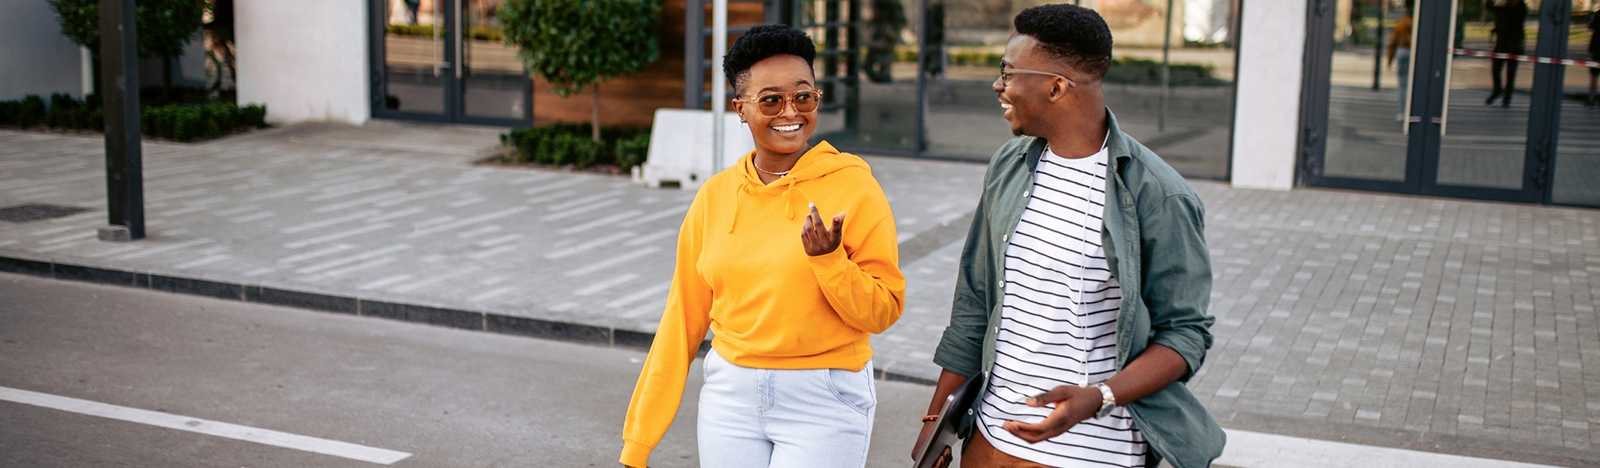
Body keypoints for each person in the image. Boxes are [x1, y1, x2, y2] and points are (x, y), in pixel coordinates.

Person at [913, 4, 1224, 468]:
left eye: (1009, 72)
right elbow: (975, 305)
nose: (998, 84)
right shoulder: (1010, 165)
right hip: (990, 442)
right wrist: (935, 422)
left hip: (1094, 452)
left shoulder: (1157, 194)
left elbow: (1184, 334)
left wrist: (1098, 397)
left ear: (1057, 86)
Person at [619, 24, 906, 468]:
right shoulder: (714, 197)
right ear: (741, 108)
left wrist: (829, 263)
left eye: (803, 96)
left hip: (823, 397)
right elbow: (682, 320)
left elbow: (883, 310)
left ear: (817, 99)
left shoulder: (855, 188)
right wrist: (639, 441)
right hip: (730, 397)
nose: (790, 111)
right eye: (770, 99)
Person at [1485, 0, 1528, 107]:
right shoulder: (1504, 8)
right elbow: (1489, 6)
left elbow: (1519, 16)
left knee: (1511, 73)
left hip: (1514, 44)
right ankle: (1497, 89)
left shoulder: (1520, 9)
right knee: (1495, 69)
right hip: (1501, 44)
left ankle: (1507, 98)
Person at [1386, 4, 1414, 118]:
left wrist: (1390, 59)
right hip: (1415, 51)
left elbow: (1393, 42)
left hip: (1402, 51)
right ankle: (1412, 110)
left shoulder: (1400, 23)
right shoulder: (1419, 24)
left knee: (1403, 84)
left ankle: (1402, 112)